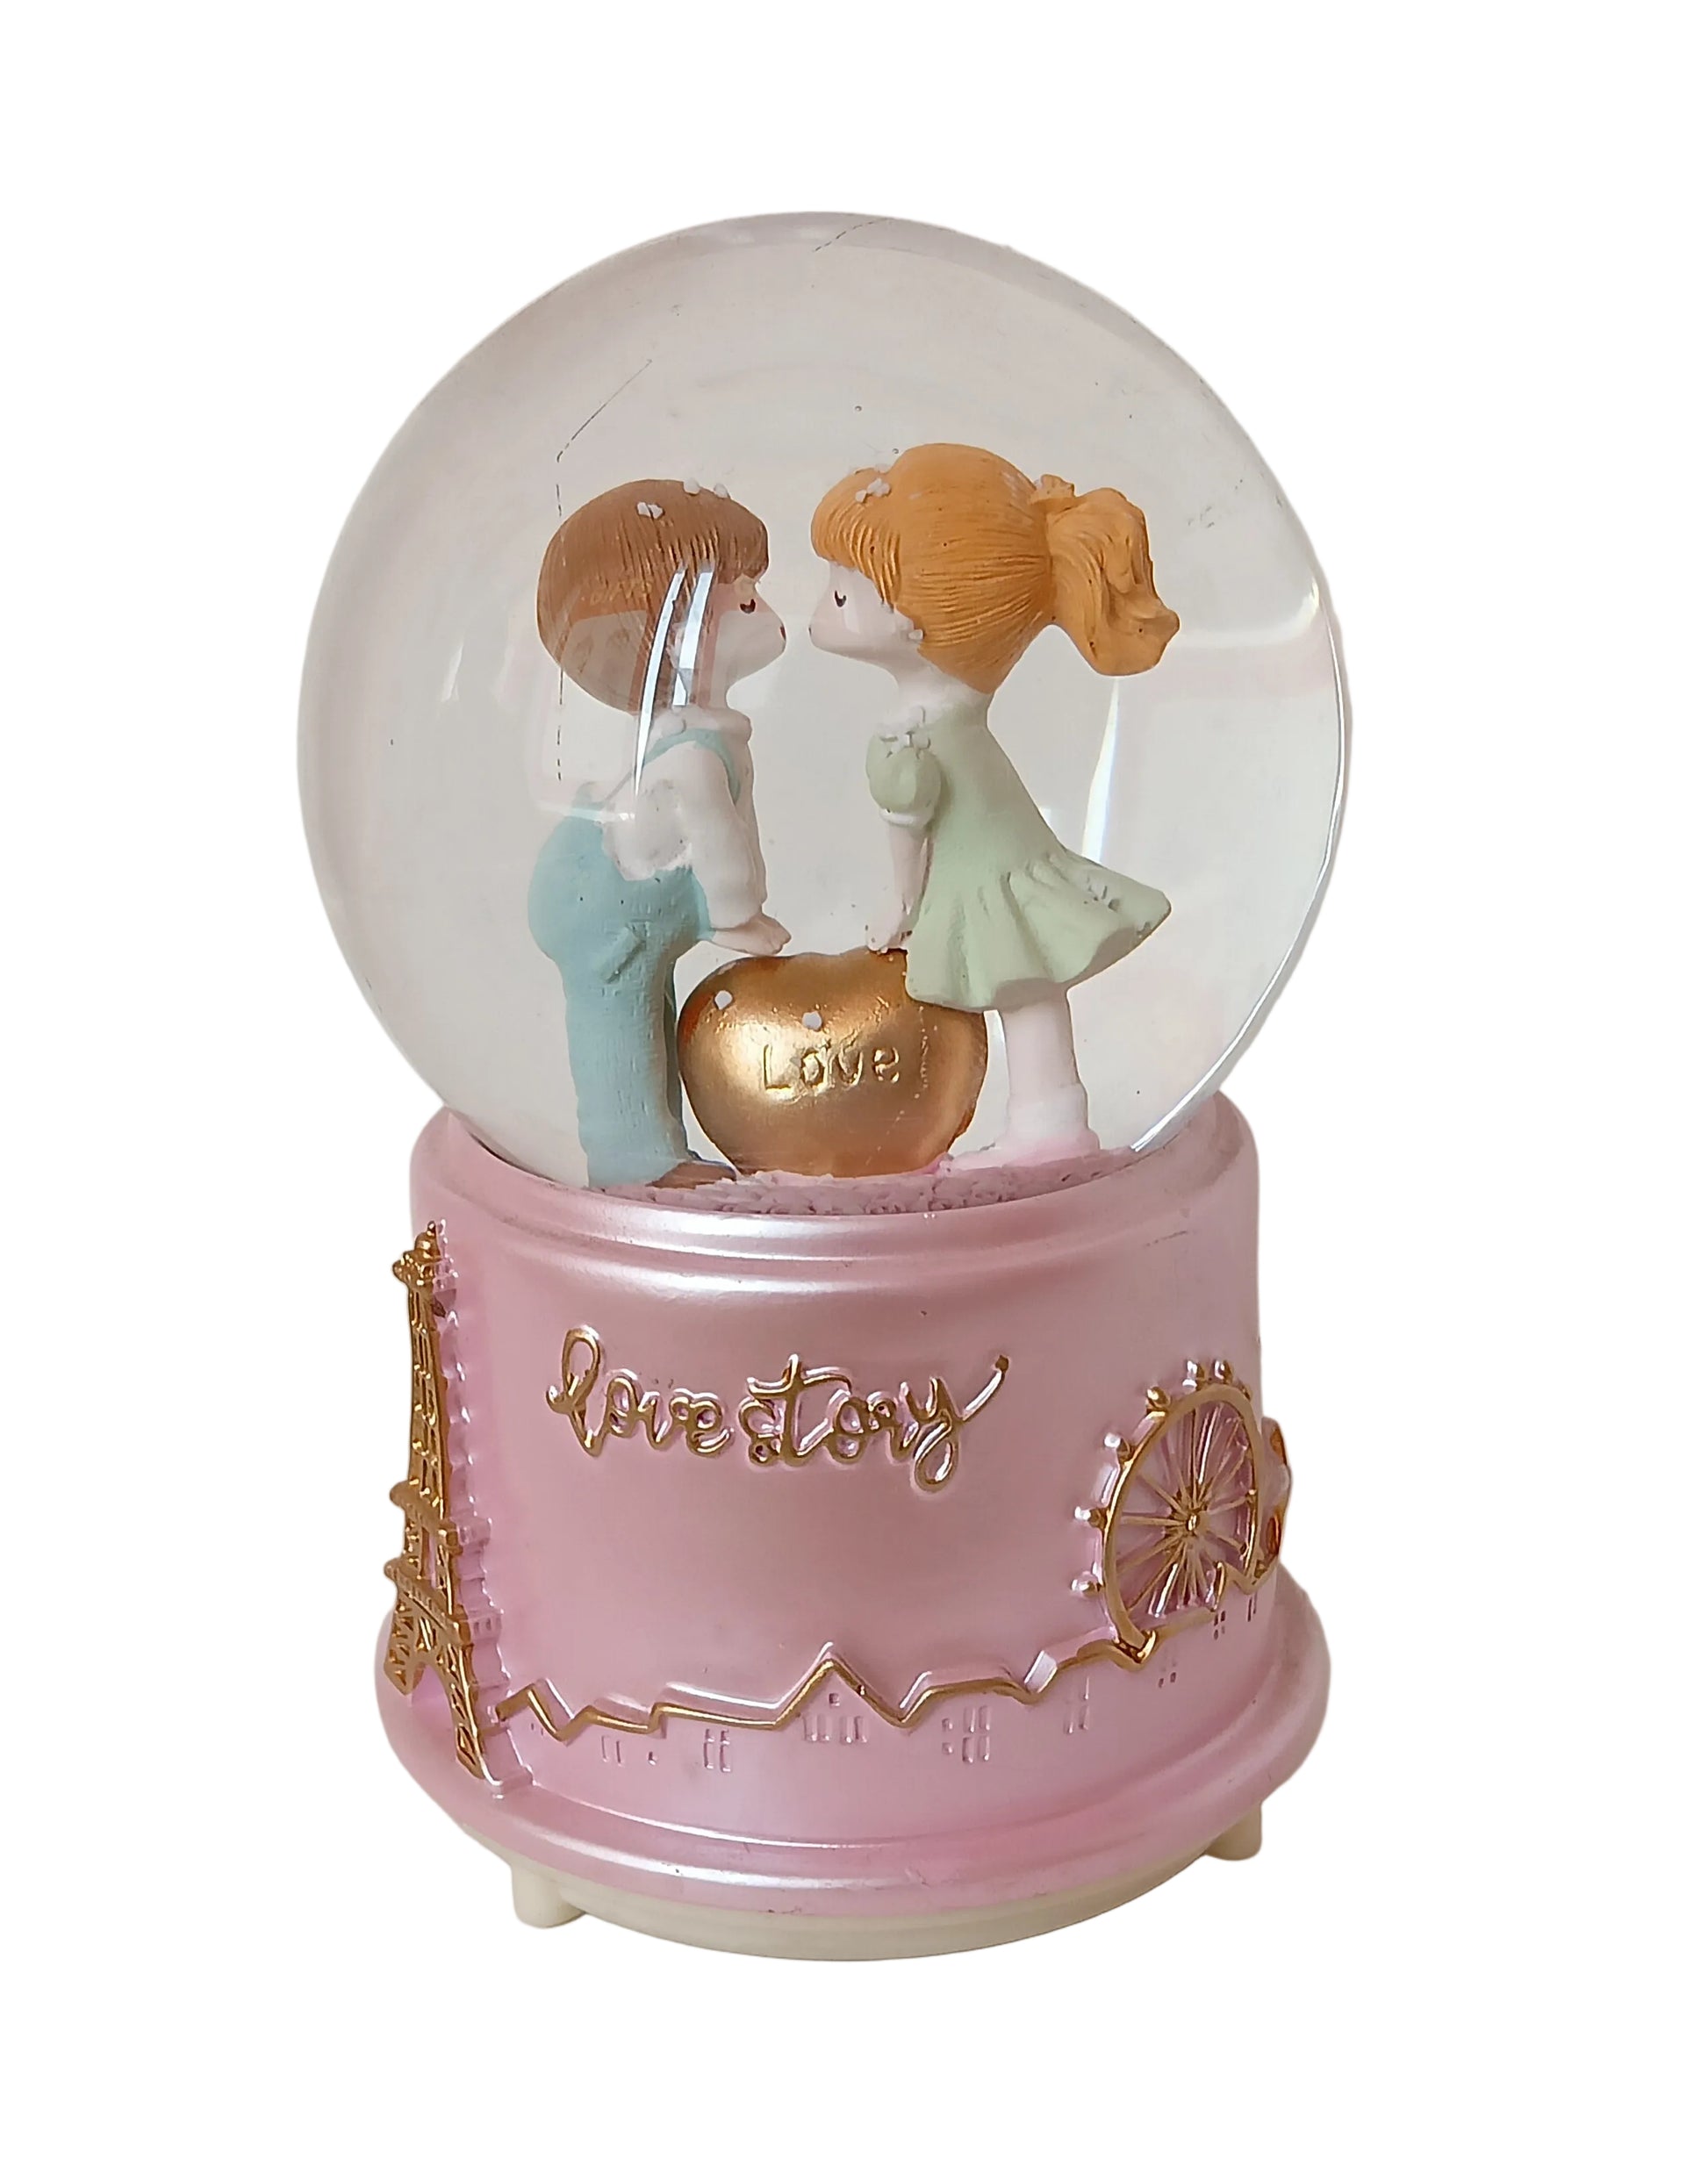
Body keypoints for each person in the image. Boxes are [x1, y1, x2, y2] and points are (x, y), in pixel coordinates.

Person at [810, 442, 1178, 1162]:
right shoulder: (950, 722)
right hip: (1012, 870)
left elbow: (909, 839)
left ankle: (1050, 1130)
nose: (820, 608)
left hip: (989, 884)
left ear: (914, 622)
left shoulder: (907, 740)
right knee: (1031, 992)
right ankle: (1049, 1122)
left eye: (844, 595)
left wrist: (901, 908)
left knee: (1026, 992)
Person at [531, 479, 787, 1186]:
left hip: (641, 900)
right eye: (744, 601)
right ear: (679, 631)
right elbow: (719, 844)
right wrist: (738, 916)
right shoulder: (690, 756)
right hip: (609, 910)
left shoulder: (696, 732)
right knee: (620, 1016)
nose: (768, 612)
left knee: (650, 1005)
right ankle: (632, 1161)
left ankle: (660, 1152)